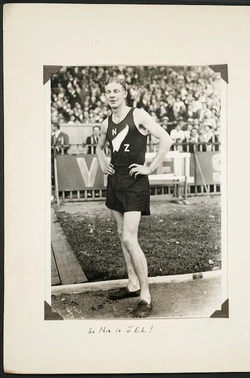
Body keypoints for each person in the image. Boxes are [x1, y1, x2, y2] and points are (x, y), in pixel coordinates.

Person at [96, 77, 173, 318]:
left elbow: (166, 139)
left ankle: (146, 296)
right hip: (115, 182)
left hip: (134, 182)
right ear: (105, 95)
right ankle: (132, 284)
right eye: (108, 91)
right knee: (121, 234)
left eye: (116, 91)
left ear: (124, 93)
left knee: (129, 238)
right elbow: (99, 148)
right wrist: (102, 164)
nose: (112, 95)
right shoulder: (106, 123)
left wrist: (150, 168)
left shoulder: (138, 115)